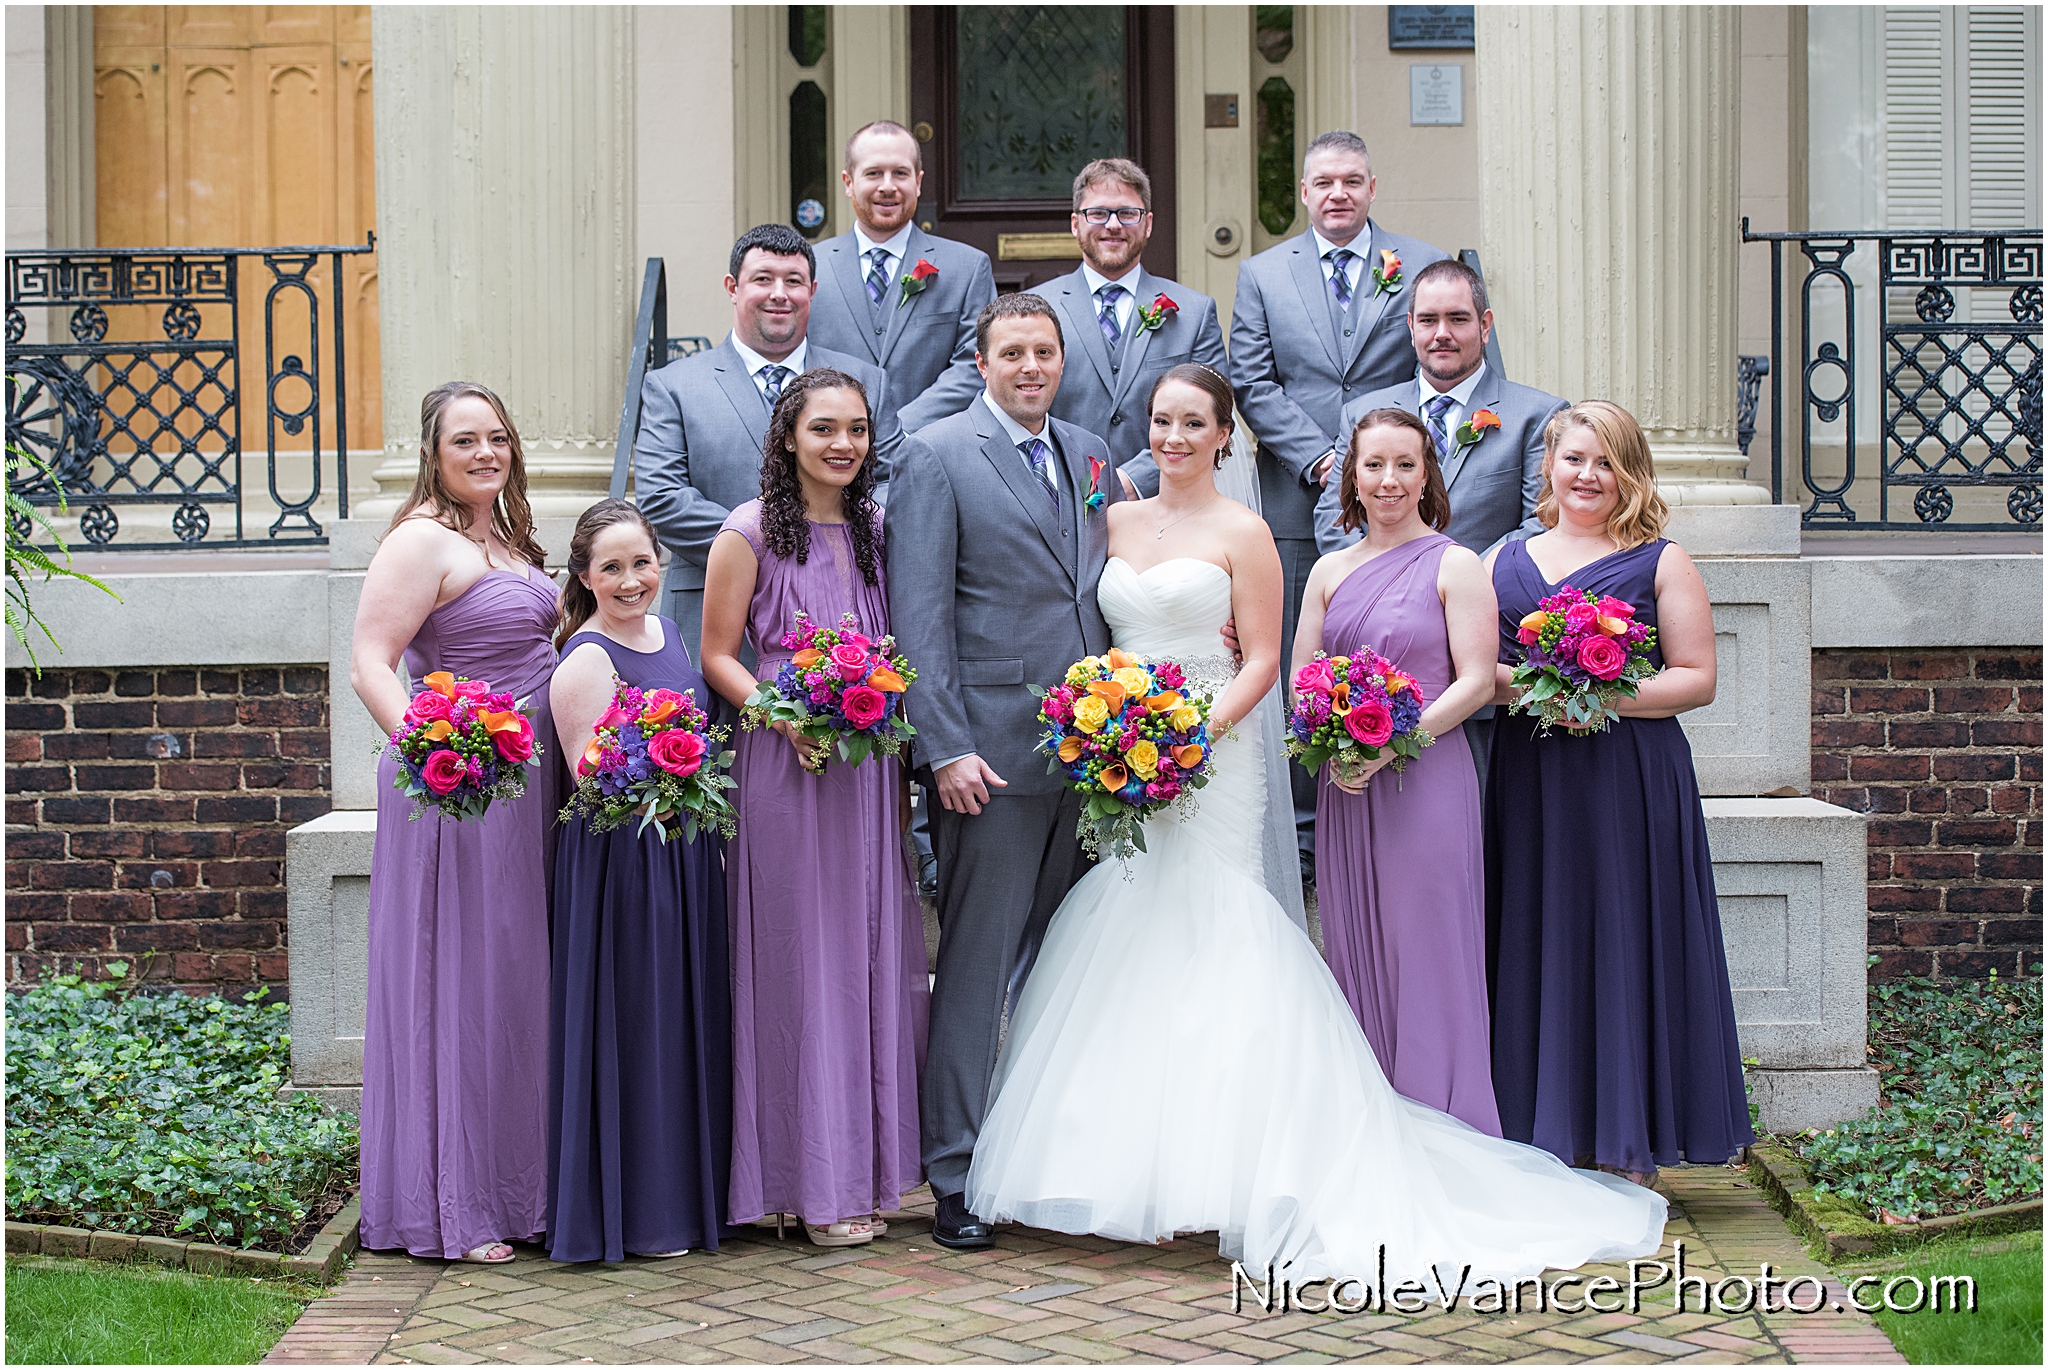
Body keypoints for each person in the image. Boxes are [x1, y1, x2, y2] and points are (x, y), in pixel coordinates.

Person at [962, 369, 1668, 1288]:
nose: (1174, 436)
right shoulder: (1114, 522)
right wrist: (1112, 724)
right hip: (1126, 751)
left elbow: (1262, 660)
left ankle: (1249, 1158)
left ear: (1226, 436)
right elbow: (1238, 661)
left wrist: (1189, 738)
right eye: (1162, 421)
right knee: (1129, 921)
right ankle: (1130, 1160)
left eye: (1195, 423)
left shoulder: (1257, 534)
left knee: (1220, 923)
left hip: (1211, 753)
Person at [883, 293, 1124, 1251]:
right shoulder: (936, 456)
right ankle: (954, 1169)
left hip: (1096, 749)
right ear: (981, 362)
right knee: (978, 966)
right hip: (988, 752)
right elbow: (921, 613)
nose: (1031, 366)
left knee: (1063, 964)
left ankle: (1040, 1151)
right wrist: (943, 745)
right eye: (1013, 352)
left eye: (1045, 351)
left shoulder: (1091, 451)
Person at [1485, 401, 1753, 1182]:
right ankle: (1543, 1128)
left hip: (1630, 777)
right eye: (1575, 459)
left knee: (1626, 936)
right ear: (1549, 466)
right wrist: (1547, 687)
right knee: (1540, 932)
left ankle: (1630, 1136)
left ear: (1630, 471)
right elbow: (1477, 672)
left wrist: (1594, 696)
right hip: (1533, 778)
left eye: (1606, 462)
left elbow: (1696, 678)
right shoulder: (1503, 560)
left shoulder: (1661, 560)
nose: (1588, 476)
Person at [700, 370, 929, 1248]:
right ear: (787, 437)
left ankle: (859, 1171)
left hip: (865, 771)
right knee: (801, 962)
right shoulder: (747, 531)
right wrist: (786, 718)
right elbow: (721, 656)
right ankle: (803, 1181)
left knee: (864, 959)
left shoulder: (874, 529)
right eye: (825, 428)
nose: (844, 444)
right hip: (788, 768)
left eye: (859, 430)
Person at [351, 382, 558, 1264]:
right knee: (468, 983)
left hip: (533, 787)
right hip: (464, 794)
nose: (485, 453)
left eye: (498, 438)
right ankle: (460, 1200)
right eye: (465, 440)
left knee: (520, 984)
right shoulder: (420, 541)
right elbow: (371, 662)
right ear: (433, 453)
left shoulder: (508, 540)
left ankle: (528, 1187)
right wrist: (441, 753)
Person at [1228, 130, 1450, 883]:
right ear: (1303, 190)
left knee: (1395, 639)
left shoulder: (1419, 266)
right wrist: (1327, 460)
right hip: (1301, 494)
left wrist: (1383, 467)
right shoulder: (1262, 274)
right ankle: (1304, 834)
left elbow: (1443, 369)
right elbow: (1253, 381)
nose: (1337, 195)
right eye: (1323, 182)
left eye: (1352, 181)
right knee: (1304, 652)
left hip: (1396, 500)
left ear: (1373, 186)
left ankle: (1391, 793)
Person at [1292, 408, 1501, 1134]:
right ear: (1352, 475)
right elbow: (1303, 680)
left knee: (1428, 946)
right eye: (1373, 465)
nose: (1388, 481)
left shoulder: (1456, 564)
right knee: (1357, 943)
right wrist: (1339, 746)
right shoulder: (1327, 570)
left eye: (1404, 465)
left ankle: (1446, 1123)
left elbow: (1475, 682)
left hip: (1427, 782)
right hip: (1346, 786)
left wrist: (1394, 745)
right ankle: (1373, 1126)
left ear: (1426, 475)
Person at [544, 500, 732, 1263]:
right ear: (586, 578)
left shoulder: (668, 631)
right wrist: (660, 764)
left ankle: (688, 1201)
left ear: (662, 564)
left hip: (681, 852)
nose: (631, 581)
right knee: (640, 1022)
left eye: (642, 563)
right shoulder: (587, 658)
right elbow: (591, 775)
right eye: (612, 568)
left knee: (683, 1020)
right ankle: (640, 1209)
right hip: (625, 865)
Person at [1310, 258, 1569, 791]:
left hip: (1479, 641)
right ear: (1410, 327)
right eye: (1428, 320)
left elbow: (1536, 526)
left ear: (1486, 324)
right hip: (1375, 650)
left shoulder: (1535, 415)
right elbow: (1334, 514)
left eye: (1458, 318)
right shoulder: (1365, 413)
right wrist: (1379, 593)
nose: (1442, 334)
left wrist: (1451, 585)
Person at [634, 223, 902, 666]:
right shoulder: (673, 386)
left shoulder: (865, 382)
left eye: (793, 281)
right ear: (732, 288)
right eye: (763, 279)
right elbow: (662, 499)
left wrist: (833, 544)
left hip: (845, 613)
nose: (779, 293)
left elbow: (892, 482)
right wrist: (765, 545)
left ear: (812, 290)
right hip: (710, 616)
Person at [805, 120, 998, 434]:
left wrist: (897, 430)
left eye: (900, 173)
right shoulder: (812, 266)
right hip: (831, 455)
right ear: (848, 182)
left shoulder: (968, 268)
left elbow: (974, 364)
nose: (887, 186)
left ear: (918, 182)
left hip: (933, 450)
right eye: (873, 173)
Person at [1043, 158, 1228, 487]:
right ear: (1075, 223)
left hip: (1165, 503)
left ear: (1148, 223)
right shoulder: (1038, 310)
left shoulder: (1195, 313)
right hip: (1058, 497)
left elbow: (1214, 413)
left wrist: (1133, 479)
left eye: (1128, 213)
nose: (1113, 225)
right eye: (1098, 213)